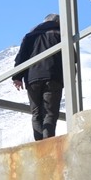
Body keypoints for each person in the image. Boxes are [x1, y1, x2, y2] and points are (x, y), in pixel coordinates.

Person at [12, 13, 63, 141]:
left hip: (32, 78)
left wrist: (17, 77)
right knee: (50, 112)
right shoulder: (61, 34)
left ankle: (39, 144)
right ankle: (48, 143)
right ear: (58, 22)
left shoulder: (30, 36)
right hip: (53, 76)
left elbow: (21, 56)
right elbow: (72, 56)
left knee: (36, 113)